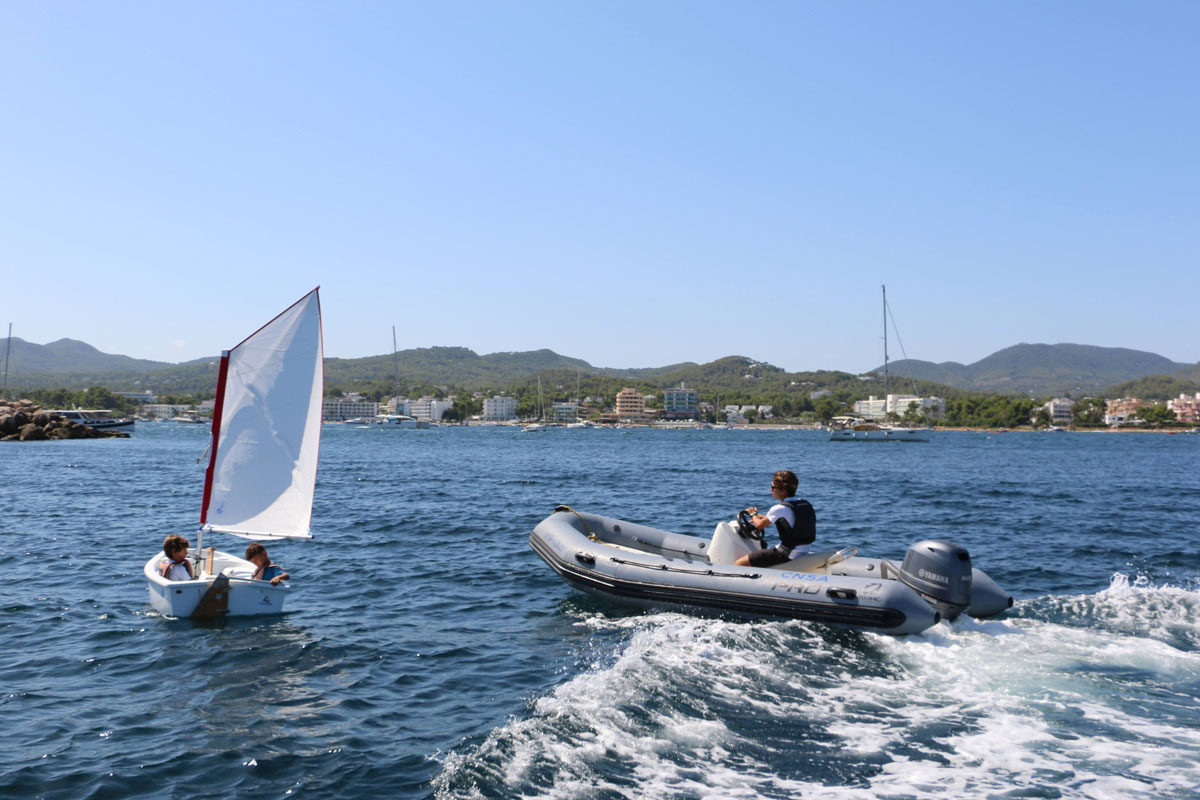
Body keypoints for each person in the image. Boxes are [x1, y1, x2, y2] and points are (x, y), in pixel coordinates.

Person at [734, 470, 816, 568]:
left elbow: (759, 525)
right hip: (803, 550)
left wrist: (753, 513)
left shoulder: (779, 508)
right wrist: (760, 517)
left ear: (783, 491)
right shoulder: (803, 504)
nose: (771, 490)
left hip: (786, 554)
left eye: (773, 487)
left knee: (739, 563)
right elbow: (788, 520)